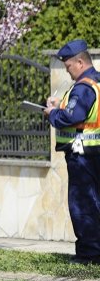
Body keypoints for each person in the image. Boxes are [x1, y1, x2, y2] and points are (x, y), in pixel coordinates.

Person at [44, 39, 100, 265]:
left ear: (79, 62)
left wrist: (52, 114)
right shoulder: (96, 83)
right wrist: (60, 104)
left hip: (82, 154)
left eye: (68, 67)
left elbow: (72, 117)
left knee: (83, 204)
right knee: (94, 201)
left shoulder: (84, 87)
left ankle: (89, 254)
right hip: (93, 153)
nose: (68, 72)